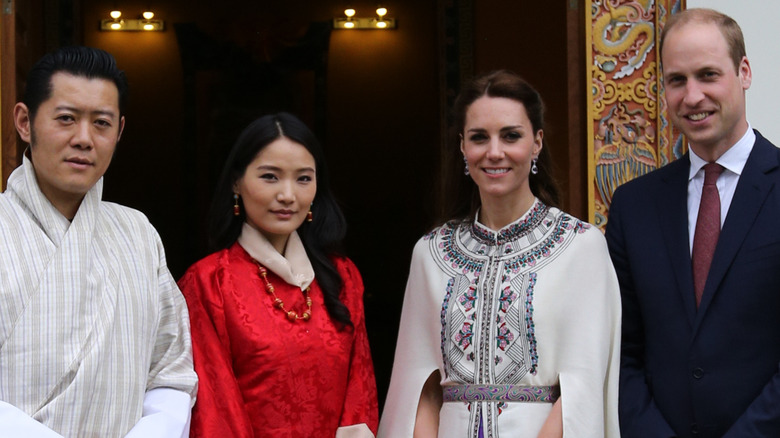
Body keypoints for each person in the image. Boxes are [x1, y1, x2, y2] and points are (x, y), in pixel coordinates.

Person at [378, 70, 620, 437]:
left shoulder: (580, 245)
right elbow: (421, 389)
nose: (494, 152)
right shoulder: (431, 253)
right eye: (479, 138)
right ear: (462, 146)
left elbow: (581, 388)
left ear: (537, 142)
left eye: (511, 136)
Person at [0, 46, 197, 436]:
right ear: (25, 122)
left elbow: (170, 370)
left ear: (119, 131)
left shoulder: (138, 233)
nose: (84, 139)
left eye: (101, 123)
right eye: (66, 119)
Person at [606, 8, 780, 437]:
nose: (692, 96)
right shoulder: (633, 206)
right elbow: (619, 351)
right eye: (677, 80)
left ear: (744, 72)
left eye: (707, 75)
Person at [178, 112, 379, 437]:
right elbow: (216, 408)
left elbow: (361, 390)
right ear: (236, 182)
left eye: (303, 178)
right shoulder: (209, 282)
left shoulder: (342, 276)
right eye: (270, 177)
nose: (288, 195)